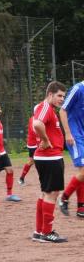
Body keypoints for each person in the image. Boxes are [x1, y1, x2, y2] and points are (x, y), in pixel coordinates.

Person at [32, 81, 67, 243]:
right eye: (59, 96)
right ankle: (47, 232)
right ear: (50, 94)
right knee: (52, 193)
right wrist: (45, 140)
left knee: (46, 193)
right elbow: (37, 124)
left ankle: (39, 231)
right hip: (50, 157)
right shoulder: (45, 107)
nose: (62, 99)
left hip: (48, 157)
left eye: (63, 96)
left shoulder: (48, 109)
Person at [58, 81, 84, 218]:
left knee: (82, 172)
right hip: (75, 136)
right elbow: (62, 110)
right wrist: (68, 133)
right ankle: (64, 197)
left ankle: (81, 208)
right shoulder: (78, 89)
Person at [19, 109, 40, 186]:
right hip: (33, 144)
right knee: (36, 161)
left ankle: (21, 178)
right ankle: (21, 178)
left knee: (33, 161)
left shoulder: (39, 118)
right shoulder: (33, 119)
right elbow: (35, 131)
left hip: (37, 143)